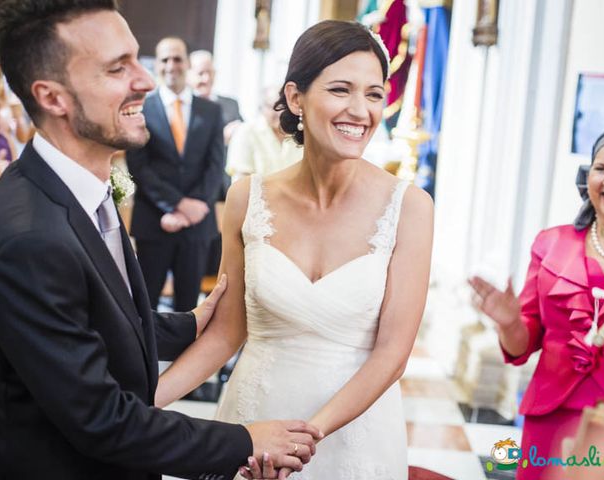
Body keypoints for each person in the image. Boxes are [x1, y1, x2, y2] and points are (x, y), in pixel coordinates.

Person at [0, 1, 321, 478]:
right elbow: (104, 420)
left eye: (137, 59)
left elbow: (91, 312)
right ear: (52, 97)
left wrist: (186, 324)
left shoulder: (76, 189)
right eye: (117, 68)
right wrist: (246, 440)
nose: (146, 80)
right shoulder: (30, 237)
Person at [156, 20, 434, 479]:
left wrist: (305, 439)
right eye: (341, 90)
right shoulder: (248, 197)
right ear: (295, 97)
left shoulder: (410, 207)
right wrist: (138, 407)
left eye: (374, 94)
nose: (360, 111)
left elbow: (392, 355)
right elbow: (226, 333)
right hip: (255, 418)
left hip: (351, 436)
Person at [469, 127, 604, 480]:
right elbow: (523, 344)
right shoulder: (552, 243)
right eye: (600, 168)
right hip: (549, 415)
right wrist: (510, 323)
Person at [126, 37, 226, 312]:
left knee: (188, 306)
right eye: (165, 59)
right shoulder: (142, 108)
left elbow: (215, 166)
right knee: (145, 303)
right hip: (155, 220)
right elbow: (139, 166)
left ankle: (184, 355)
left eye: (178, 59)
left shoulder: (212, 111)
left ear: (187, 63)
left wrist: (191, 210)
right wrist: (177, 205)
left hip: (196, 226)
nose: (172, 65)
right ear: (156, 65)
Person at [226, 85, 303, 182]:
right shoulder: (245, 132)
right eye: (273, 107)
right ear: (262, 107)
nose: (280, 113)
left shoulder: (300, 134)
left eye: (284, 107)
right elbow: (240, 182)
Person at [189, 50, 243, 145]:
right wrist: (221, 137)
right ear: (189, 75)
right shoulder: (183, 105)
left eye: (210, 72)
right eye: (200, 73)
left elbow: (245, 134)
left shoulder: (231, 105)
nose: (206, 79)